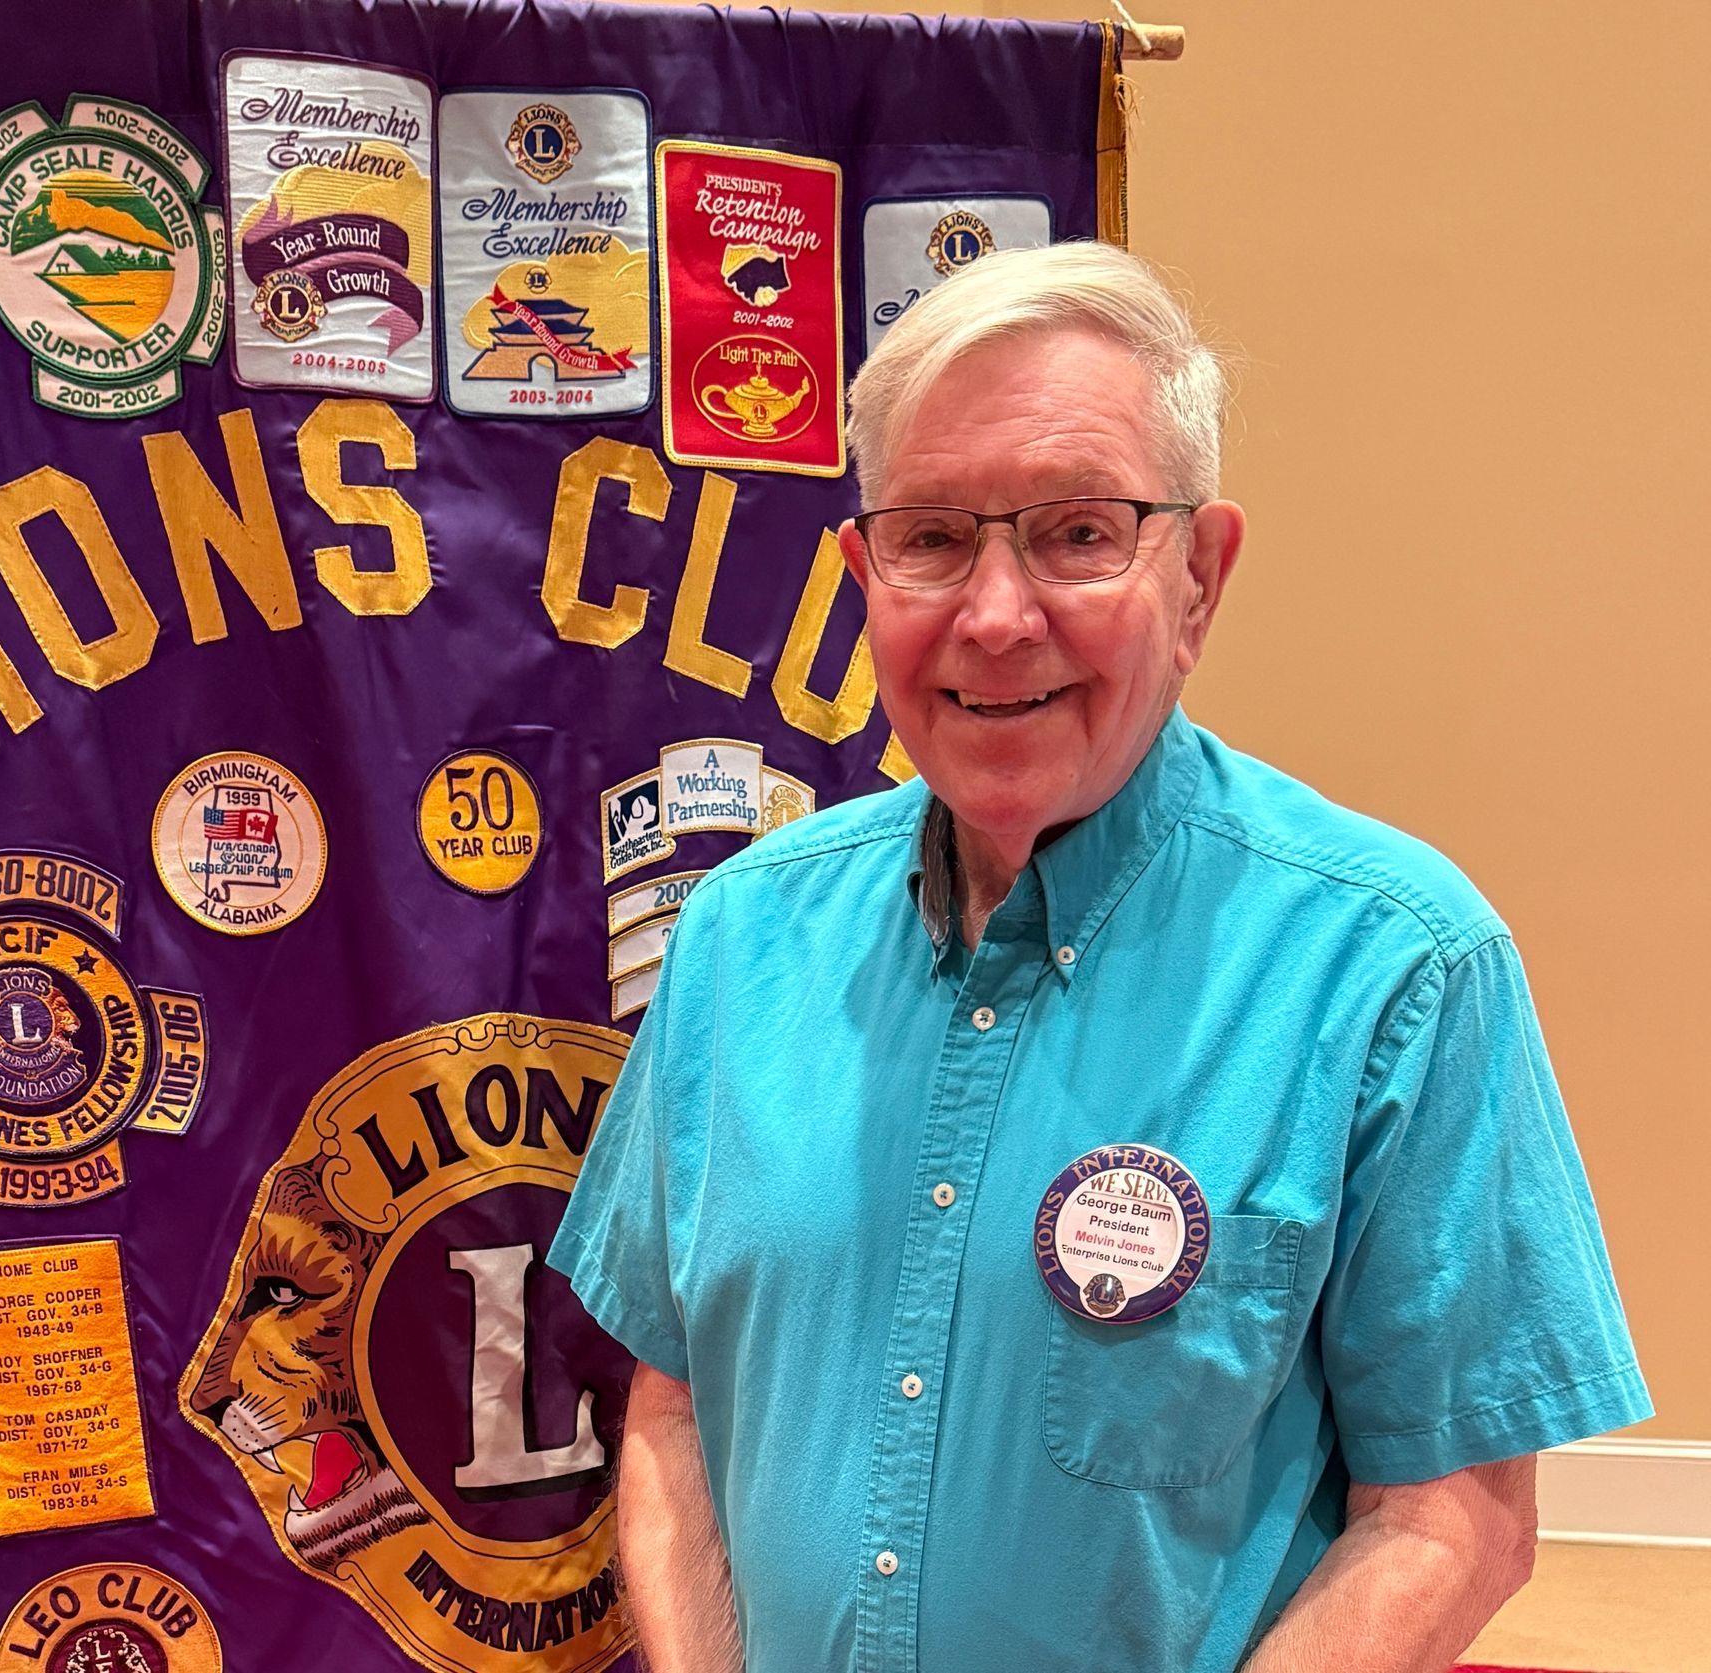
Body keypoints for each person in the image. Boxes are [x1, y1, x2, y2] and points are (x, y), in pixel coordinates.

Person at [549, 241, 1650, 1673]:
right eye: (934, 537)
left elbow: (1455, 1515)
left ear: (1199, 577)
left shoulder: (1397, 967)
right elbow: (677, 1402)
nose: (998, 617)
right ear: (863, 572)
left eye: (1078, 532)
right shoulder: (739, 936)